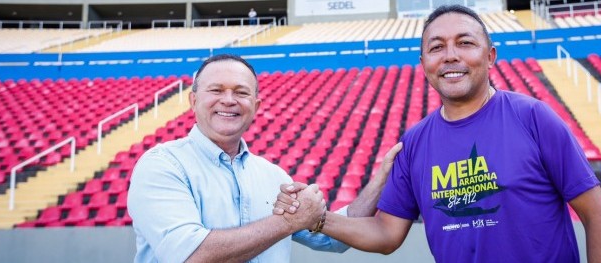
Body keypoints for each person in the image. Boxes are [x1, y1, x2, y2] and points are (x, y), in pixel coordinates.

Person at [276, 5, 601, 262]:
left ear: (490, 56)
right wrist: (317, 219)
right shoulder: (414, 143)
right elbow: (386, 234)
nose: (450, 56)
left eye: (465, 43)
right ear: (424, 61)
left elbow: (598, 214)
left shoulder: (532, 117)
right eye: (437, 47)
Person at [128, 54, 401, 263]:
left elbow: (332, 240)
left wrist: (381, 181)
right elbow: (191, 255)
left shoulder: (274, 176)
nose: (228, 100)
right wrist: (288, 223)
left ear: (256, 106)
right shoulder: (162, 165)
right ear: (193, 100)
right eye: (216, 90)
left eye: (241, 92)